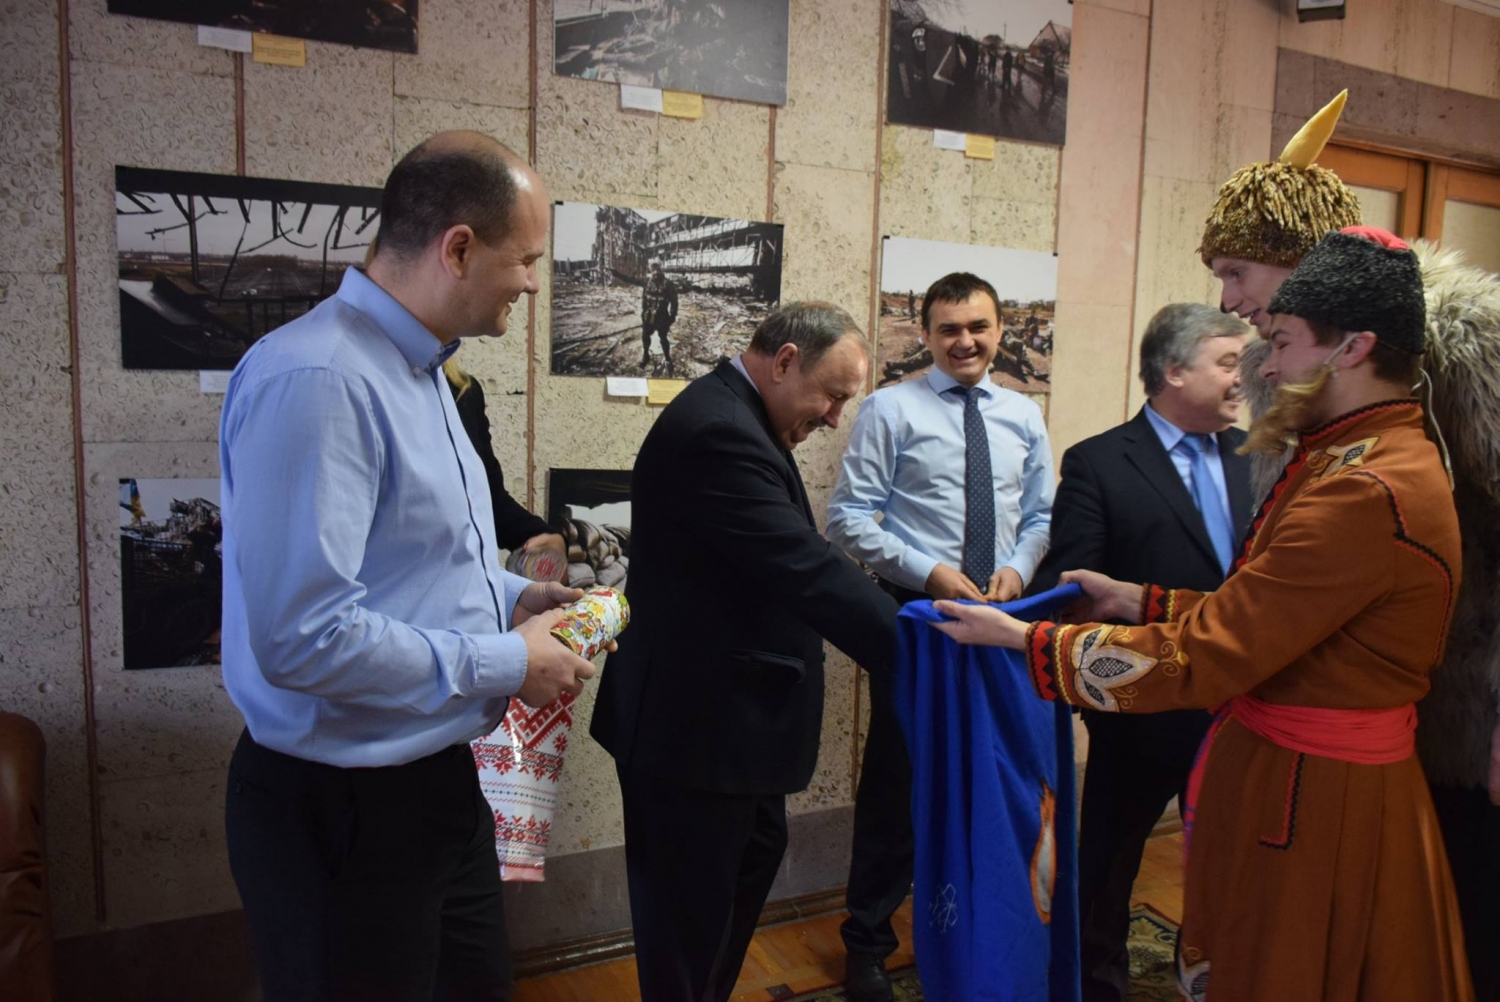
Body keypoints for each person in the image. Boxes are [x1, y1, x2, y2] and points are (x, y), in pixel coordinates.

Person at [934, 227, 1473, 1002]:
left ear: (1352, 348)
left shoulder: (1362, 486)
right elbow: (1271, 608)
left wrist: (1031, 641)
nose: (1267, 367)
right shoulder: (1357, 456)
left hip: (1321, 794)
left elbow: (1219, 647)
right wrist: (1140, 600)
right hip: (1305, 769)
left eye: (1280, 343)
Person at [219, 132, 599, 1002]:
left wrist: (515, 597)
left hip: (434, 785)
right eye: (526, 260)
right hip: (343, 811)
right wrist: (507, 661)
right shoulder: (321, 378)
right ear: (457, 248)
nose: (533, 285)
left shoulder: (424, 371)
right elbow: (302, 638)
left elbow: (417, 565)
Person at [1203, 90, 1500, 999]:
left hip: (1465, 710)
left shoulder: (1459, 340)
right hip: (1349, 715)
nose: (1227, 299)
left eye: (1238, 271)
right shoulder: (1281, 362)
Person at [591, 302, 900, 1002]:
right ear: (785, 361)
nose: (835, 419)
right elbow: (805, 567)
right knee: (688, 935)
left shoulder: (740, 415)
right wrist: (928, 646)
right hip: (693, 738)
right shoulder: (718, 431)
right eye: (833, 396)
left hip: (730, 734)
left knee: (723, 910)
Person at [826, 272, 1054, 1001]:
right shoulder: (890, 409)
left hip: (1005, 618)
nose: (965, 341)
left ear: (1000, 330)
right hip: (921, 619)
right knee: (899, 780)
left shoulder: (1023, 415)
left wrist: (1019, 568)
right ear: (924, 334)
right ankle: (867, 942)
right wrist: (930, 573)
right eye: (949, 328)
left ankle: (985, 923)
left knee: (997, 771)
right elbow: (848, 517)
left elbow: (1041, 516)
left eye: (979, 327)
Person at [1028, 303, 1251, 1002]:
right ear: (1174, 370)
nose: (1245, 377)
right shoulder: (1099, 462)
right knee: (1107, 865)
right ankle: (1098, 983)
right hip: (1142, 712)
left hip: (1244, 708)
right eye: (1229, 362)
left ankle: (1213, 975)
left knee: (1230, 865)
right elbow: (1077, 589)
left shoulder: (1262, 455)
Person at [443, 359, 565, 559]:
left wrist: (542, 535)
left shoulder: (463, 390)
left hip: (465, 574)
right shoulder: (389, 391)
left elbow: (489, 499)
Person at [641, 259, 679, 374]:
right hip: (648, 316)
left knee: (663, 338)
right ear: (650, 270)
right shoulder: (647, 282)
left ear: (661, 270)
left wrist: (672, 316)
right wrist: (643, 312)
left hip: (662, 316)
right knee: (645, 336)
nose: (655, 272)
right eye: (653, 270)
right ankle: (645, 355)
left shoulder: (668, 284)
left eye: (657, 269)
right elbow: (644, 297)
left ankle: (667, 359)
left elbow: (674, 301)